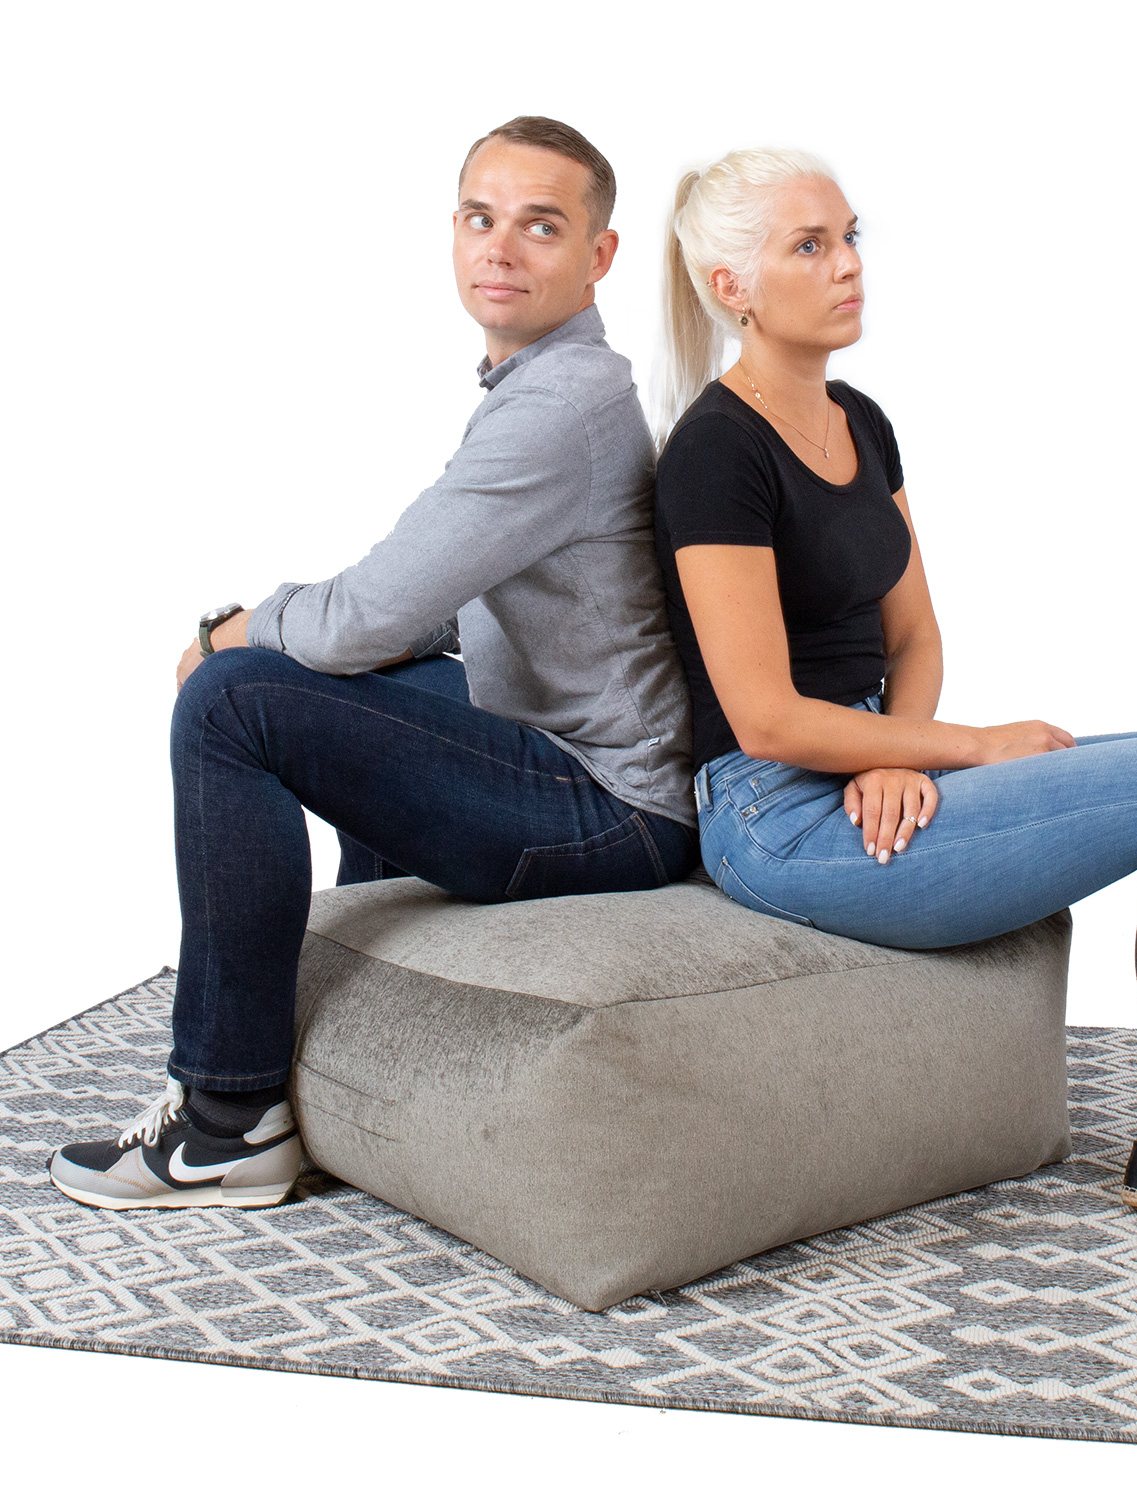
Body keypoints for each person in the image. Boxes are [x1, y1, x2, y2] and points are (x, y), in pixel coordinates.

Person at [651, 148, 1137, 1230]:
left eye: (849, 236)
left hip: (864, 766)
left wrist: (896, 748)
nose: (849, 264)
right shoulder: (714, 453)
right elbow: (762, 716)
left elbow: (914, 631)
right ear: (731, 286)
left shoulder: (861, 421)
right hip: (779, 817)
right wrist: (968, 744)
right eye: (811, 245)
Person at [50, 117, 698, 1211]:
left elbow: (366, 614)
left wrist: (227, 630)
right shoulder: (545, 386)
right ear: (453, 231)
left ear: (601, 255)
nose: (501, 248)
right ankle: (350, 1052)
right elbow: (419, 614)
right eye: (480, 218)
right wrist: (328, 640)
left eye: (541, 226)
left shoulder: (558, 406)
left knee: (232, 701)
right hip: (576, 770)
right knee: (328, 682)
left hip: (612, 811)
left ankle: (225, 1120)